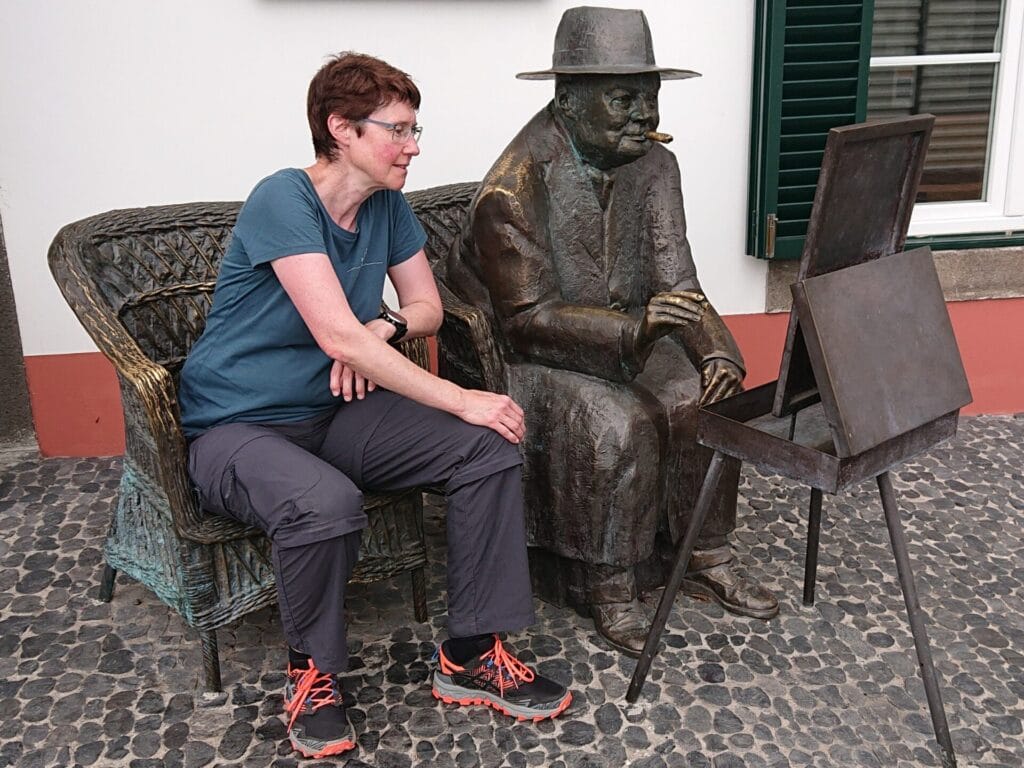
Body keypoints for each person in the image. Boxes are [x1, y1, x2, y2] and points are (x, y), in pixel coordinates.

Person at [177, 52, 571, 760]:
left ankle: (472, 653)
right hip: (238, 427)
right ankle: (312, 675)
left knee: (486, 446)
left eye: (417, 129)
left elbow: (424, 308)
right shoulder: (283, 200)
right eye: (398, 130)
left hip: (332, 416)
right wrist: (454, 393)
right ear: (341, 130)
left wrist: (382, 326)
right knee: (324, 503)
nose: (413, 146)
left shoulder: (388, 207)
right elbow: (335, 335)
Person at [443, 7, 779, 658]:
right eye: (624, 99)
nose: (643, 118)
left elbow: (676, 277)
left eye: (649, 99)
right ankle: (611, 587)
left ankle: (705, 552)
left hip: (617, 336)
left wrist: (714, 349)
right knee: (614, 422)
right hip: (522, 357)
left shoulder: (654, 167)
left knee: (703, 396)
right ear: (568, 101)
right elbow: (528, 320)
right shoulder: (511, 190)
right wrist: (634, 331)